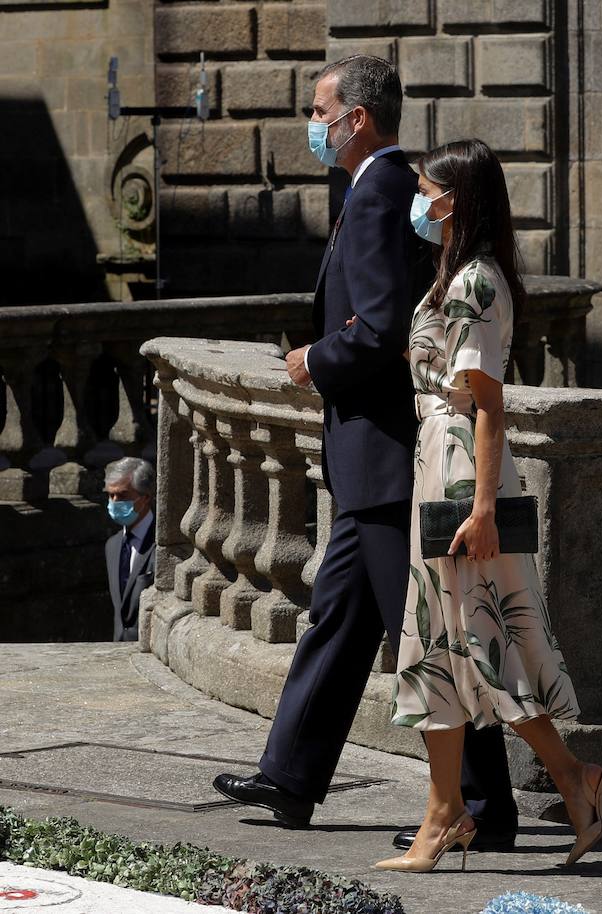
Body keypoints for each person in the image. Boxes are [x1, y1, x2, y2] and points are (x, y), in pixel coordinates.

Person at [214, 57, 517, 852]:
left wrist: (314, 360)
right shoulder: (372, 189)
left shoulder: (380, 189)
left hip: (386, 459)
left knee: (429, 637)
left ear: (357, 118)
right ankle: (289, 776)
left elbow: (379, 329)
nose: (312, 125)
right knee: (338, 619)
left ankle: (486, 803)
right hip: (367, 462)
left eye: (319, 111)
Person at [375, 138, 602, 873]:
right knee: (442, 644)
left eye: (426, 189)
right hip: (441, 461)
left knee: (474, 642)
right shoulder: (457, 274)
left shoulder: (475, 282)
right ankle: (451, 810)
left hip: (459, 472)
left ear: (457, 198)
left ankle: (559, 781)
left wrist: (482, 506)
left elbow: (488, 404)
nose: (417, 201)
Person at [104, 457, 155, 642]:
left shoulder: (163, 546)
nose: (115, 502)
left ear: (146, 497)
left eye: (123, 495)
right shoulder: (112, 545)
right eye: (111, 495)